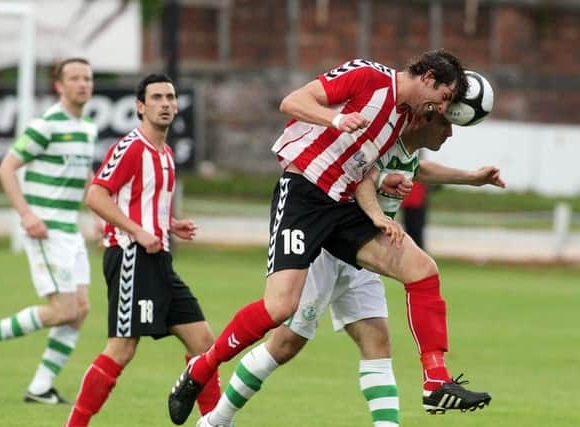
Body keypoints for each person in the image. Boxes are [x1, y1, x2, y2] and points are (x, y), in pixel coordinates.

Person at [168, 49, 491, 425]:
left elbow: (362, 172)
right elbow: (293, 101)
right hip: (304, 194)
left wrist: (377, 216)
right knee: (279, 309)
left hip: (344, 209)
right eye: (445, 97)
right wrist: (335, 119)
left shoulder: (403, 119)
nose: (442, 107)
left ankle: (435, 381)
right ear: (429, 78)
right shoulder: (370, 76)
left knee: (422, 269)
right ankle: (201, 369)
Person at [65, 73, 221, 426]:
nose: (165, 103)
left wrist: (170, 223)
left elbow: (141, 202)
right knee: (122, 348)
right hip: (131, 258)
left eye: (170, 97)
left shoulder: (165, 152)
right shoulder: (132, 146)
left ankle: (215, 422)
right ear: (140, 106)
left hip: (159, 259)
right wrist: (137, 231)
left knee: (203, 343)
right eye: (156, 98)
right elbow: (95, 195)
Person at [0, 58, 96, 404]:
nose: (82, 84)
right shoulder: (46, 124)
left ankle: (40, 387)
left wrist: (102, 216)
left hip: (71, 230)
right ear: (59, 86)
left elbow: (86, 178)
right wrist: (26, 216)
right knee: (64, 309)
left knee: (80, 309)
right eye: (74, 78)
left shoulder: (87, 127)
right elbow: (7, 168)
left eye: (87, 78)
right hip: (46, 229)